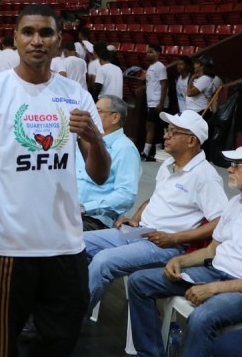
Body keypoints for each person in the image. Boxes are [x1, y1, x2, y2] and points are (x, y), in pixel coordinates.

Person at [0, 3, 110, 357]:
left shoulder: (75, 95)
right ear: (15, 38)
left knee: (64, 335)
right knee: (2, 350)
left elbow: (99, 174)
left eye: (45, 33)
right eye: (28, 32)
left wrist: (94, 138)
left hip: (65, 244)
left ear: (59, 40)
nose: (37, 40)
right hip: (7, 246)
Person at [116, 140, 242, 357]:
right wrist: (178, 259)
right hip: (215, 272)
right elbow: (212, 250)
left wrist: (214, 289)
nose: (230, 169)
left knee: (202, 317)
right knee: (140, 282)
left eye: (237, 165)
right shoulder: (237, 203)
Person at [84, 110, 228, 311]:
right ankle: (60, 305)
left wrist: (174, 238)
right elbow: (155, 198)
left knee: (103, 261)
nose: (165, 135)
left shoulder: (205, 176)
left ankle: (71, 318)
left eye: (173, 132)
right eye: (167, 130)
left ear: (191, 141)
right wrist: (135, 219)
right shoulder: (168, 164)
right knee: (78, 243)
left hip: (166, 246)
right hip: (139, 232)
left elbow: (221, 221)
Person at [78, 95, 140, 231]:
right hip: (66, 211)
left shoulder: (125, 149)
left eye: (97, 111)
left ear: (115, 118)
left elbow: (126, 195)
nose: (91, 115)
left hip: (93, 218)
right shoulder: (83, 140)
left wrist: (85, 208)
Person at [142, 44, 168, 162]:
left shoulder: (160, 66)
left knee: (150, 126)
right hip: (151, 102)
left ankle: (146, 152)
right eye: (147, 52)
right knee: (157, 129)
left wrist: (161, 103)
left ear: (158, 53)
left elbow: (164, 84)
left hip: (156, 102)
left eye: (151, 52)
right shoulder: (151, 67)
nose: (148, 54)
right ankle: (158, 152)